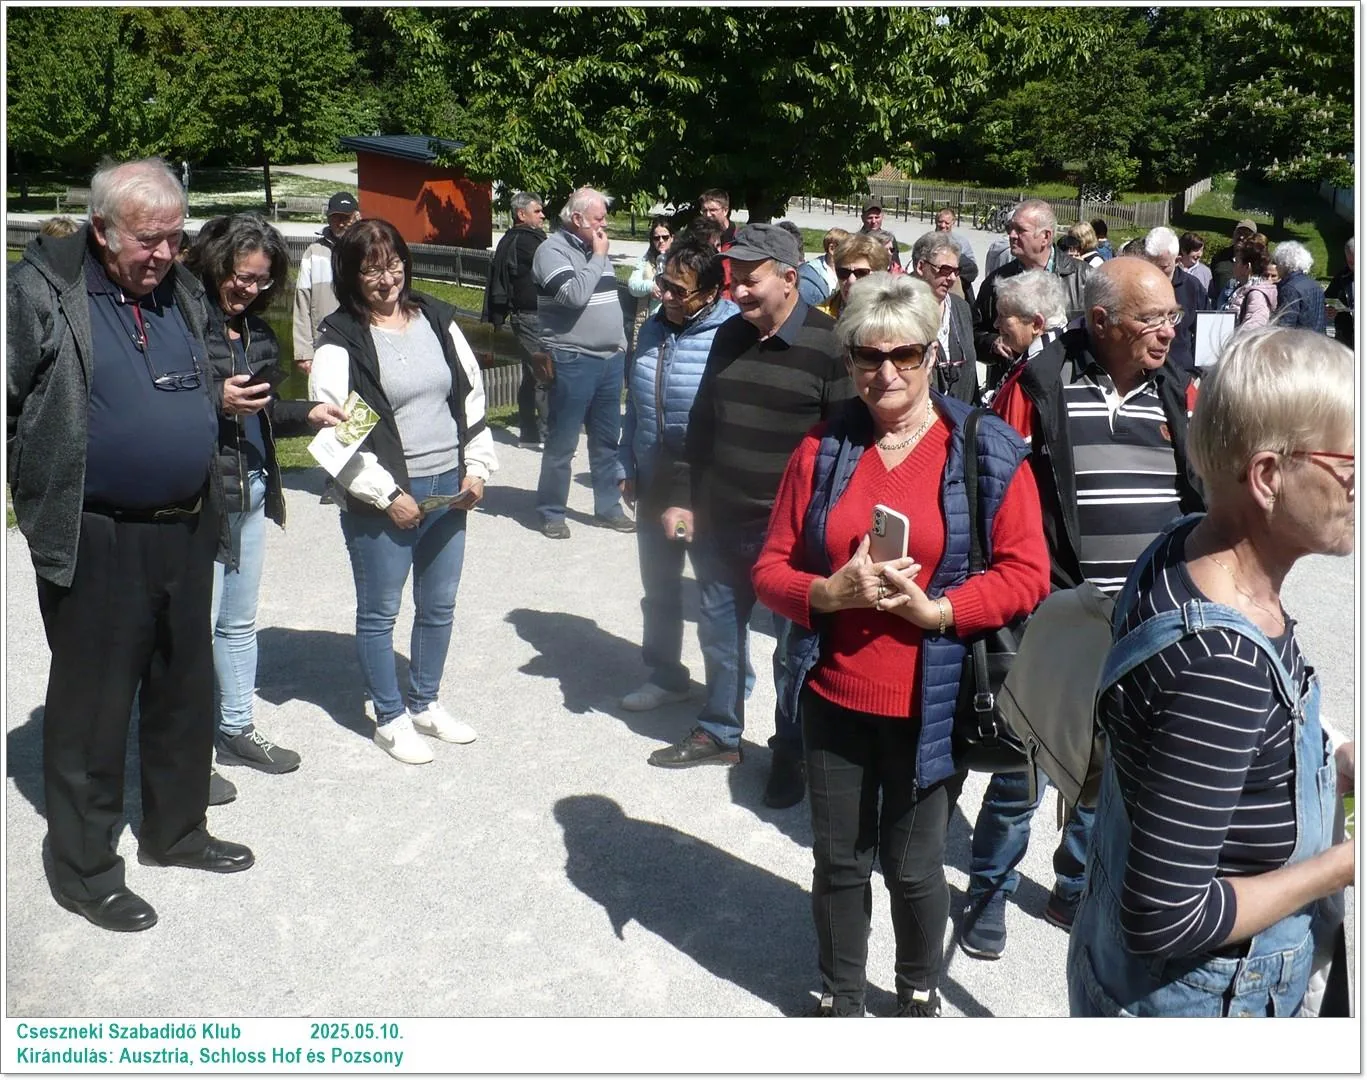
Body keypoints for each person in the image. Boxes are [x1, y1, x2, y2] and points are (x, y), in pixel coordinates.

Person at [752, 272, 1050, 1016]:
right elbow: (767, 568)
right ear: (848, 357)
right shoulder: (822, 447)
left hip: (932, 702)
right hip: (833, 694)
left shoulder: (982, 445)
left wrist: (940, 612)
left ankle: (917, 990)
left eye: (905, 354)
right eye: (866, 356)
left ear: (932, 356)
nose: (884, 373)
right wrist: (825, 594)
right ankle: (840, 993)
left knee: (913, 868)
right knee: (838, 862)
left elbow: (1026, 575)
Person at [1069, 326, 1354, 1017]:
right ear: (1266, 476)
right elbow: (1164, 919)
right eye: (1349, 462)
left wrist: (1333, 755)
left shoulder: (1178, 547)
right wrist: (1346, 865)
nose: (1358, 484)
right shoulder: (1221, 662)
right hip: (1194, 1007)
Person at [8, 157, 253, 933]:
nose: (165, 254)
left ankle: (176, 833)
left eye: (175, 239)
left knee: (186, 692)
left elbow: (190, 373)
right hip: (98, 532)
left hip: (187, 524)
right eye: (149, 240)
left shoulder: (178, 287)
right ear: (102, 228)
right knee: (94, 710)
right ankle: (83, 869)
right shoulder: (43, 289)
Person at [961, 257, 1206, 962]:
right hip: (1055, 620)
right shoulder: (1037, 388)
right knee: (1022, 769)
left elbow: (1198, 494)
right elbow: (993, 494)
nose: (1166, 332)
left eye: (1171, 318)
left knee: (1108, 772)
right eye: (1151, 320)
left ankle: (1071, 882)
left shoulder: (1175, 391)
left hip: (1144, 625)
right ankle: (988, 889)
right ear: (1099, 322)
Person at [652, 224, 852, 810]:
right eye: (734, 278)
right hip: (718, 523)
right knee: (718, 633)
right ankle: (720, 730)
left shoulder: (830, 344)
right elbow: (702, 425)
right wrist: (685, 499)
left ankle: (790, 749)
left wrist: (828, 527)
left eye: (749, 279)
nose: (735, 290)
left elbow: (845, 451)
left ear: (791, 279)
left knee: (794, 653)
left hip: (793, 538)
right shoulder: (728, 336)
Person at [309, 220, 498, 765]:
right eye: (371, 269)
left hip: (448, 485)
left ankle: (425, 702)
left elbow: (471, 399)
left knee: (438, 605)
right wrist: (386, 493)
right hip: (386, 495)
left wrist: (477, 469)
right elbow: (334, 438)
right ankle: (389, 718)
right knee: (380, 612)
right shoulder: (342, 339)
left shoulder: (436, 319)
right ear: (351, 274)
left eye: (393, 264)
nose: (386, 278)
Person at [184, 214, 346, 803]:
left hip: (250, 491)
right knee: (192, 630)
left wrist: (308, 414)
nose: (248, 288)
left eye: (259, 280)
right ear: (216, 261)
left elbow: (263, 411)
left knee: (238, 623)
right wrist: (211, 397)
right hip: (198, 500)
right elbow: (152, 402)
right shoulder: (179, 321)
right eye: (240, 274)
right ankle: (186, 752)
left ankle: (235, 728)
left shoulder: (256, 333)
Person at [618, 236, 738, 712]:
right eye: (662, 284)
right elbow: (636, 402)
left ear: (711, 293)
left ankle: (728, 690)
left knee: (715, 593)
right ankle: (667, 676)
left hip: (706, 483)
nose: (664, 295)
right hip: (654, 476)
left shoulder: (731, 333)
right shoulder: (651, 327)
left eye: (678, 290)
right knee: (660, 587)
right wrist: (627, 463)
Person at [531, 186, 633, 539]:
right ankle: (551, 511)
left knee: (607, 441)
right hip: (572, 358)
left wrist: (619, 343)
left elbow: (605, 301)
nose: (605, 225)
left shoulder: (595, 250)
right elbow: (574, 296)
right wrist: (598, 257)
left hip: (609, 359)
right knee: (563, 442)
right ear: (577, 219)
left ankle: (607, 508)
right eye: (599, 218)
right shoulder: (551, 251)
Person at [974, 199, 1091, 389]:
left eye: (1020, 230)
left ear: (1045, 237)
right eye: (1010, 229)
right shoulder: (998, 282)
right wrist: (992, 343)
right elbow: (973, 333)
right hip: (1014, 389)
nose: (1011, 235)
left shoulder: (1084, 278)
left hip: (1067, 387)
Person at [483, 190, 549, 449]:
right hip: (530, 317)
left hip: (529, 317)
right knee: (544, 373)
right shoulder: (526, 241)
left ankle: (529, 434)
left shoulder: (518, 238)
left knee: (531, 375)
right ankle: (549, 436)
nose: (543, 214)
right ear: (521, 214)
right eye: (537, 210)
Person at [292, 191, 361, 376]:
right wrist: (304, 353)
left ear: (357, 217)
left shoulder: (366, 250)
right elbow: (301, 303)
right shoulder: (313, 253)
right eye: (335, 217)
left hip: (361, 344)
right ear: (328, 219)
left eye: (346, 218)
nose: (341, 223)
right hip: (323, 344)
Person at [909, 230, 978, 404]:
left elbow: (971, 371)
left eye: (956, 271)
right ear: (920, 267)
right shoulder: (903, 310)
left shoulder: (961, 308)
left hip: (961, 417)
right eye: (945, 270)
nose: (953, 278)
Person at [985, 268, 1068, 397]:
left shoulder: (1037, 377)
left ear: (1036, 324)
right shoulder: (1051, 355)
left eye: (1004, 315)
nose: (996, 324)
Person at [1141, 226, 1205, 376]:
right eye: (1151, 265)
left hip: (1182, 372)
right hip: (1144, 371)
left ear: (1177, 261)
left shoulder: (1192, 287)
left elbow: (1205, 334)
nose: (1155, 272)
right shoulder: (1140, 285)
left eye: (1163, 267)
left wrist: (1197, 372)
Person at [816, 233, 889, 321]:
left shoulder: (894, 318)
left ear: (879, 275)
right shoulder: (819, 316)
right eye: (843, 272)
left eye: (861, 273)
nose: (851, 281)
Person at [1224, 235, 1278, 329]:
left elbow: (1255, 326)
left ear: (1247, 267)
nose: (1234, 264)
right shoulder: (1242, 287)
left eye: (1236, 261)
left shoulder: (1257, 293)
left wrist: (1237, 341)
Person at [1273, 241, 1327, 333]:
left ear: (1284, 263)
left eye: (1277, 263)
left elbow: (1286, 324)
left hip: (1299, 343)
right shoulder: (1315, 284)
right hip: (1318, 341)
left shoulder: (1289, 288)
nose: (1276, 267)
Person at [627, 215, 673, 322]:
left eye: (665, 237)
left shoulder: (680, 259)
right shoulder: (646, 260)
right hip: (651, 319)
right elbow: (632, 285)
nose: (661, 241)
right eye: (657, 238)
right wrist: (650, 287)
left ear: (672, 238)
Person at [1206, 218, 1257, 308]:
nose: (1241, 237)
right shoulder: (1219, 257)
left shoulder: (1256, 260)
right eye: (1239, 233)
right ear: (1233, 234)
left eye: (1246, 234)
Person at [933, 206, 979, 302]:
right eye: (940, 221)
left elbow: (972, 268)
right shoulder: (928, 241)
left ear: (953, 222)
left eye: (947, 223)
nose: (942, 225)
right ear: (935, 221)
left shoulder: (961, 242)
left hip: (956, 291)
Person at [797, 227, 849, 307]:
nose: (852, 253)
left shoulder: (848, 270)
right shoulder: (810, 278)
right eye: (847, 249)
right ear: (832, 249)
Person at [1324, 237, 1354, 347]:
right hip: (1346, 334)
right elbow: (1328, 297)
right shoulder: (1342, 276)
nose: (1354, 267)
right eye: (1351, 263)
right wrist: (1330, 308)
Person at [858, 196, 902, 270]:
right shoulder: (856, 240)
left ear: (882, 217)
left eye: (877, 217)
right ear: (862, 218)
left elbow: (896, 265)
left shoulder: (889, 239)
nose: (874, 221)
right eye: (870, 218)